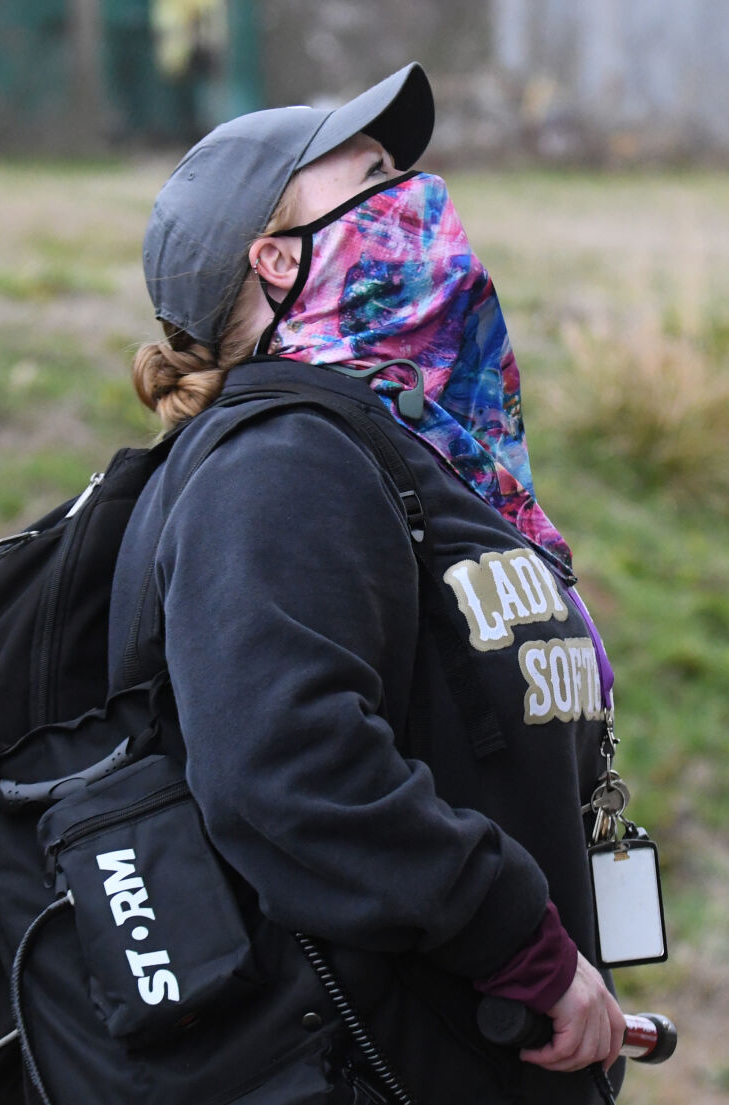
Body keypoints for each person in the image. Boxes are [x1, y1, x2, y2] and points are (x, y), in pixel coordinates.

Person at [108, 63, 629, 1103]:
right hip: (361, 1063)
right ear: (276, 258)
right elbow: (284, 763)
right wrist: (516, 943)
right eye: (375, 174)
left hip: (466, 1050)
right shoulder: (281, 462)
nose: (417, 194)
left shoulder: (405, 450)